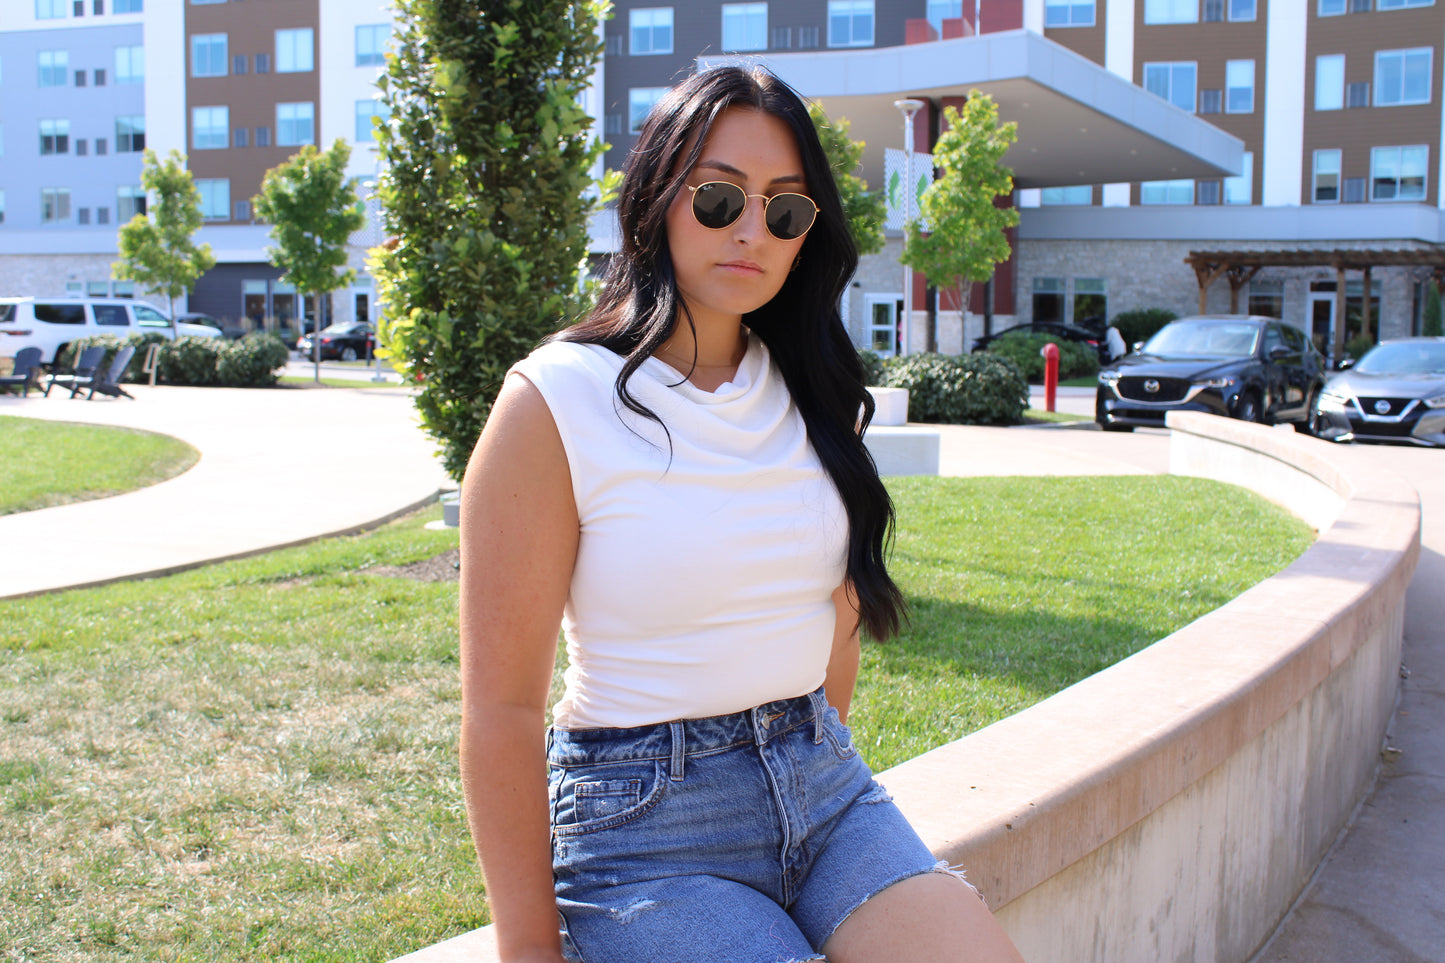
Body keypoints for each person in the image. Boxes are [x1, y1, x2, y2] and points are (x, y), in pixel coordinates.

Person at [458, 65, 1026, 963]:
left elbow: (832, 609)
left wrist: (812, 750)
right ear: (655, 197)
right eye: (719, 197)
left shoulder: (811, 387)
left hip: (822, 787)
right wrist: (529, 948)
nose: (752, 231)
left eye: (786, 210)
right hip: (643, 826)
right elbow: (500, 706)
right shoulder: (556, 400)